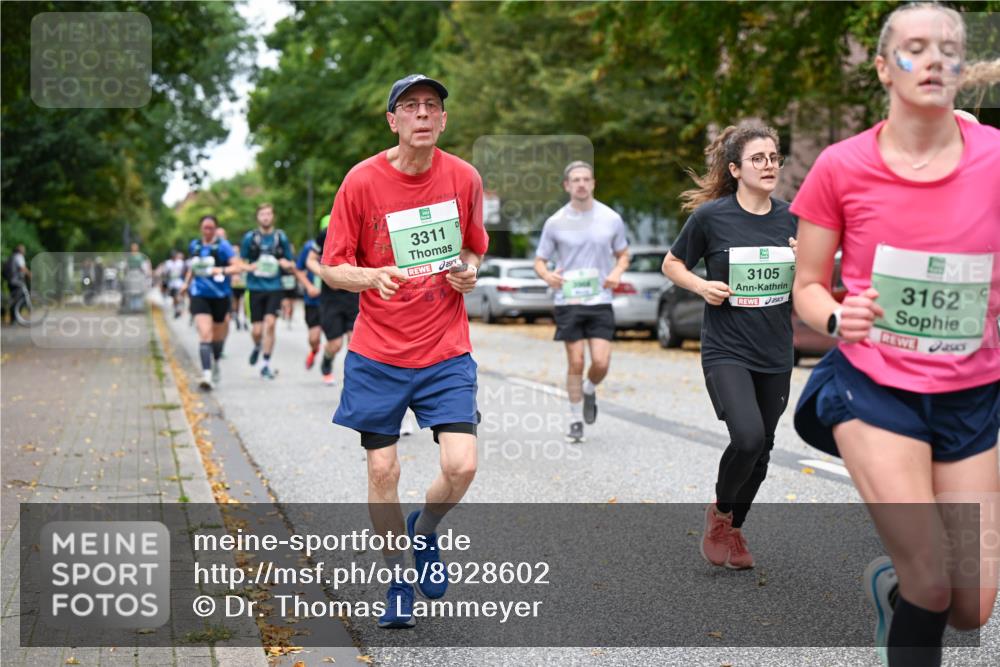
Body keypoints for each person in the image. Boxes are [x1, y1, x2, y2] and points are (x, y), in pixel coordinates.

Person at [791, 4, 999, 666]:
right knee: (933, 582)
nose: (934, 58)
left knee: (973, 605)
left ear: (962, 68)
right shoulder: (841, 166)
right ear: (884, 67)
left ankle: (891, 585)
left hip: (973, 395)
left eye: (948, 49)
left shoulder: (996, 160)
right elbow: (807, 285)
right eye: (915, 47)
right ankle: (911, 586)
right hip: (874, 388)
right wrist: (834, 317)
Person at [319, 73, 488, 629]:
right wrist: (372, 277)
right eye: (410, 106)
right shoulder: (361, 181)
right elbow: (332, 267)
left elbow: (472, 249)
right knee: (383, 469)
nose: (422, 114)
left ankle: (425, 530)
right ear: (392, 120)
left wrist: (467, 272)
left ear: (442, 120)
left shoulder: (463, 177)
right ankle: (397, 578)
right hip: (379, 352)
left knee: (461, 466)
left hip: (445, 347)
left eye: (432, 106)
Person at [662, 122, 797, 571]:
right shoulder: (711, 218)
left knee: (765, 445)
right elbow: (672, 263)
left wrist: (804, 255)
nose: (769, 165)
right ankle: (721, 514)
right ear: (736, 168)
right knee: (748, 436)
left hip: (775, 350)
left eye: (774, 157)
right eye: (758, 158)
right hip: (727, 349)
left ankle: (734, 528)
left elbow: (812, 280)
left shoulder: (792, 219)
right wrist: (701, 286)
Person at [533, 161, 629, 443]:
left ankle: (589, 388)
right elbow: (539, 260)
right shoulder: (555, 222)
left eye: (586, 179)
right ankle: (575, 419)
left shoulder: (611, 218)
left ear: (593, 183)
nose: (581, 184)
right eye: (575, 180)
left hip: (600, 298)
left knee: (601, 362)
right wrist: (548, 276)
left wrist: (616, 273)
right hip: (569, 299)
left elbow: (623, 253)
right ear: (567, 185)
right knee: (575, 361)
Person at [182, 215, 238, 390]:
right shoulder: (195, 245)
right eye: (205, 227)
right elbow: (193, 266)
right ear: (200, 228)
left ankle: (216, 362)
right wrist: (186, 283)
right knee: (205, 334)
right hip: (199, 295)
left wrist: (220, 270)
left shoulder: (223, 246)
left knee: (218, 339)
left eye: (211, 228)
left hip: (220, 296)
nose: (208, 231)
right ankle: (206, 374)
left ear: (215, 229)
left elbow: (237, 266)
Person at [240, 203, 294, 379]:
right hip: (255, 288)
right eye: (262, 214)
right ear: (258, 217)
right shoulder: (250, 238)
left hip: (274, 288)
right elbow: (239, 263)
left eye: (268, 214)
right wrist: (249, 267)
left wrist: (285, 264)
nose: (265, 217)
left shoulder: (280, 237)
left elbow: (290, 262)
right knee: (257, 330)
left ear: (273, 217)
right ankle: (257, 345)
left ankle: (265, 364)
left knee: (270, 325)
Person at [304, 216, 360, 385]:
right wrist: (326, 275)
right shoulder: (326, 234)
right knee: (335, 344)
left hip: (354, 295)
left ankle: (352, 383)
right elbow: (310, 261)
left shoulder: (360, 230)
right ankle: (327, 361)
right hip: (331, 298)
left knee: (355, 343)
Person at [3, 244, 29, 324]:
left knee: (13, 299)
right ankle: (16, 319)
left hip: (10, 281)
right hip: (17, 282)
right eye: (23, 249)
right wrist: (30, 274)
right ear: (21, 250)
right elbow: (22, 268)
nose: (24, 251)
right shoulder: (19, 257)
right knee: (19, 299)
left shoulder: (12, 256)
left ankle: (13, 319)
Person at [164, 250, 186, 318]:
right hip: (171, 283)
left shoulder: (181, 263)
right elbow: (165, 272)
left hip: (178, 282)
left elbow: (184, 271)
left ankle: (179, 309)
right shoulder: (168, 263)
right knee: (174, 298)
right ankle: (176, 310)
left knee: (177, 296)